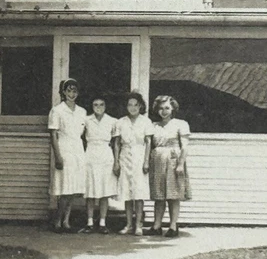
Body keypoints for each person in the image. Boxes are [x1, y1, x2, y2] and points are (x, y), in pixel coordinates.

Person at [147, 95, 191, 238]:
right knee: (159, 195)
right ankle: (156, 225)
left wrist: (180, 164)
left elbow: (184, 147)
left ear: (172, 108)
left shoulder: (180, 124)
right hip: (158, 160)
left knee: (173, 195)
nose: (164, 111)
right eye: (160, 108)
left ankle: (173, 226)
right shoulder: (154, 125)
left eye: (167, 108)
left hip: (173, 160)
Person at [48, 78, 87, 232]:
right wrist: (57, 156)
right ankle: (57, 221)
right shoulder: (57, 110)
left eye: (74, 91)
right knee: (64, 188)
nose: (72, 94)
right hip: (64, 149)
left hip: (77, 150)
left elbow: (84, 134)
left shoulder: (82, 111)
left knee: (72, 189)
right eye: (69, 90)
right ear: (63, 92)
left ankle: (66, 221)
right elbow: (53, 134)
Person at [114, 91, 153, 236]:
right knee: (127, 193)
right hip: (125, 157)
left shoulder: (145, 122)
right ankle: (129, 224)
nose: (133, 108)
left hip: (139, 156)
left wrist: (146, 161)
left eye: (136, 105)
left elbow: (148, 142)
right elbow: (117, 143)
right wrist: (116, 162)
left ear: (141, 106)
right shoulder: (121, 122)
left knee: (138, 193)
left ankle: (138, 225)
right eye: (130, 105)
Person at [79, 96, 119, 234]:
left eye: (101, 104)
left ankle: (102, 223)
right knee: (90, 192)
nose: (98, 107)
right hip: (90, 155)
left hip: (106, 156)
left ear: (105, 106)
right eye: (95, 104)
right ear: (92, 106)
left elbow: (116, 142)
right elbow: (80, 138)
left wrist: (116, 161)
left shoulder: (112, 121)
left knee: (104, 191)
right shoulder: (86, 120)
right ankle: (89, 223)